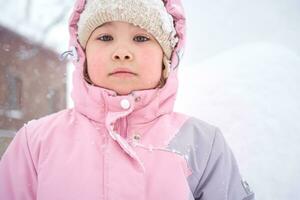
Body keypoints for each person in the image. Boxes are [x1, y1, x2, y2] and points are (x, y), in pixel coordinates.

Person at [0, 0, 255, 199]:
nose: (122, 52)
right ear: (82, 54)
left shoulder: (203, 143)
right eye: (105, 37)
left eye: (141, 38)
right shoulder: (36, 142)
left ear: (167, 58)